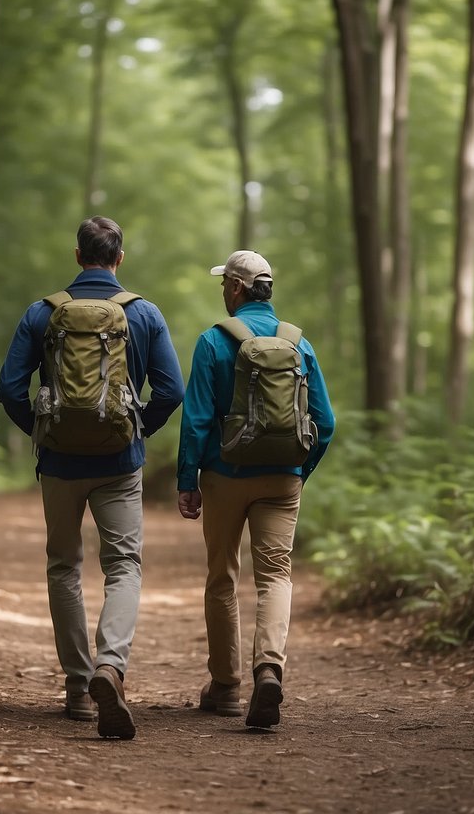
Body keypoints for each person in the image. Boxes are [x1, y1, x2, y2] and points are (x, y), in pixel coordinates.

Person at [0, 216, 184, 740]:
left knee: (64, 567)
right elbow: (171, 390)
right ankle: (111, 667)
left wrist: (41, 430)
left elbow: (9, 389)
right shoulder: (143, 314)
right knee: (123, 565)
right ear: (119, 258)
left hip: (58, 462)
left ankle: (79, 687)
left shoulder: (43, 313)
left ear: (78, 256)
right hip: (120, 464)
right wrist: (135, 430)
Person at [176, 250, 335, 728]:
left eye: (226, 283)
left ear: (239, 289)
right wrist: (297, 473)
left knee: (222, 576)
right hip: (282, 477)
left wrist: (189, 480)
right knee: (275, 575)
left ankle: (225, 686)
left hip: (225, 475)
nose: (222, 289)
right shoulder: (297, 343)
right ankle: (268, 667)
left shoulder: (212, 341)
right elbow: (324, 423)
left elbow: (198, 419)